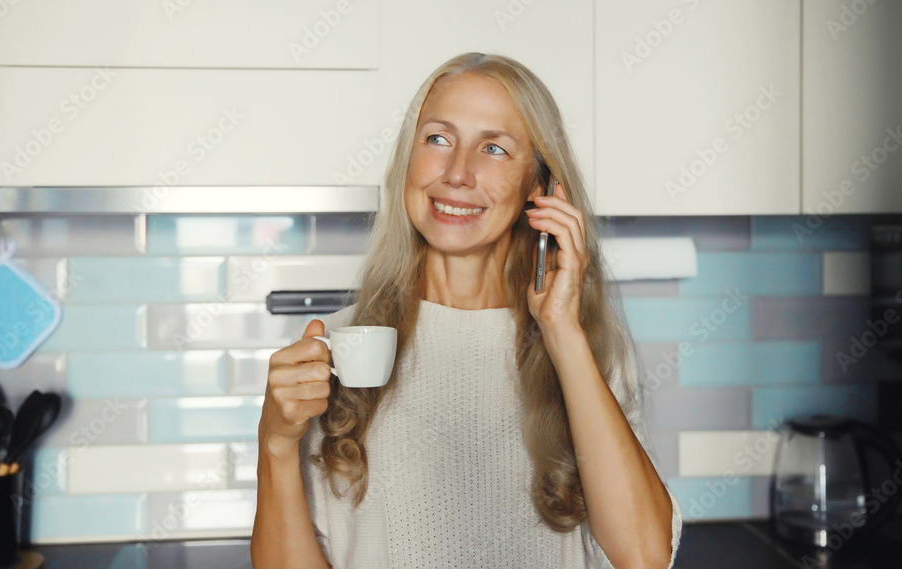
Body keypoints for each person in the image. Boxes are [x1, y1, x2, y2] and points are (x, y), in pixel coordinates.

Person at [251, 52, 682, 569]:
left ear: (540, 187)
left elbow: (643, 556)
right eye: (438, 139)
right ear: (407, 162)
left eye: (494, 148)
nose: (457, 173)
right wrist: (275, 445)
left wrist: (561, 330)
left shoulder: (581, 348)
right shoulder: (337, 352)